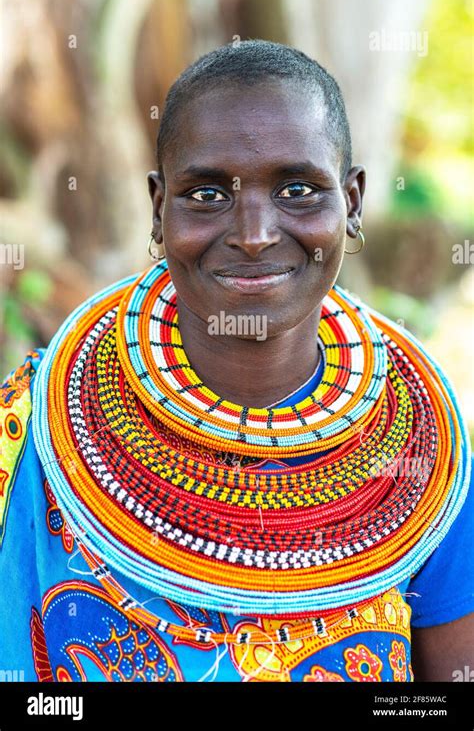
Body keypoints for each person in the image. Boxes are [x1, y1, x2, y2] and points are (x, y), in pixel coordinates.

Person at [0, 40, 472, 683]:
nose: (254, 234)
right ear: (159, 207)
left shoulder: (425, 445)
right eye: (207, 194)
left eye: (299, 188)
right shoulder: (32, 427)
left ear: (353, 203)